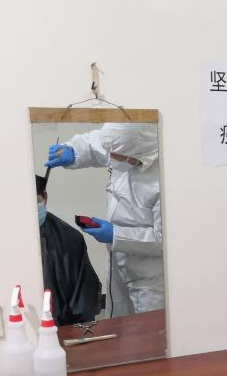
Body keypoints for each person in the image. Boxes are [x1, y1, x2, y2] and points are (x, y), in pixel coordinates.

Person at [46, 123, 164, 315]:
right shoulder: (122, 140)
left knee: (149, 328)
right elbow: (96, 144)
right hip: (118, 261)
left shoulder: (164, 177)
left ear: (136, 152)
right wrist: (73, 150)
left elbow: (162, 240)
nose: (111, 158)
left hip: (150, 276)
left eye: (117, 155)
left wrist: (116, 235)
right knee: (118, 319)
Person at [37, 176, 102, 325]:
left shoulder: (69, 238)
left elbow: (84, 299)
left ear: (45, 197)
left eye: (35, 201)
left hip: (62, 328)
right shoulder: (5, 241)